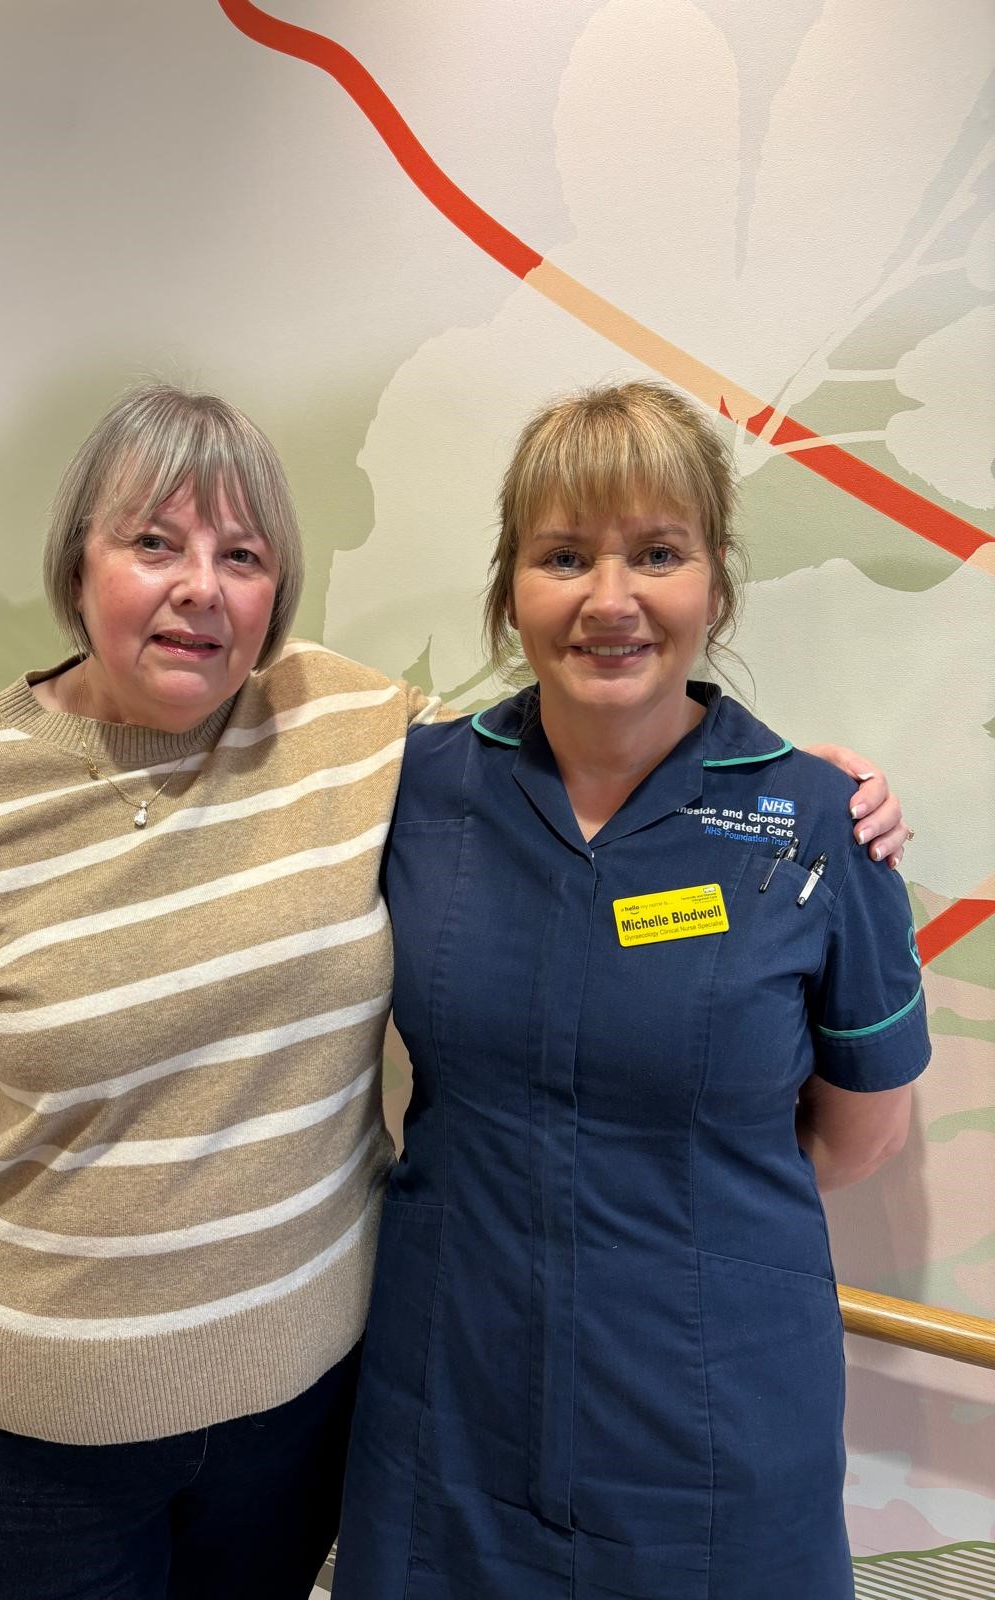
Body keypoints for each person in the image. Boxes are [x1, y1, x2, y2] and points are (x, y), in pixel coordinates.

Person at [0, 384, 908, 1600]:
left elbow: (848, 1124)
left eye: (241, 555)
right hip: (40, 1424)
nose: (201, 586)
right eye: (153, 541)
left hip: (294, 1417)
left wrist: (812, 789)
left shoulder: (350, 733)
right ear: (74, 565)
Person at [332, 381, 930, 1600]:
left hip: (712, 1417)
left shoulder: (814, 825)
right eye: (564, 556)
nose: (611, 600)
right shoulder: (418, 789)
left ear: (715, 583)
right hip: (452, 1387)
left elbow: (860, 1136)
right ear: (511, 588)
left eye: (657, 552)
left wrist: (655, 1181)